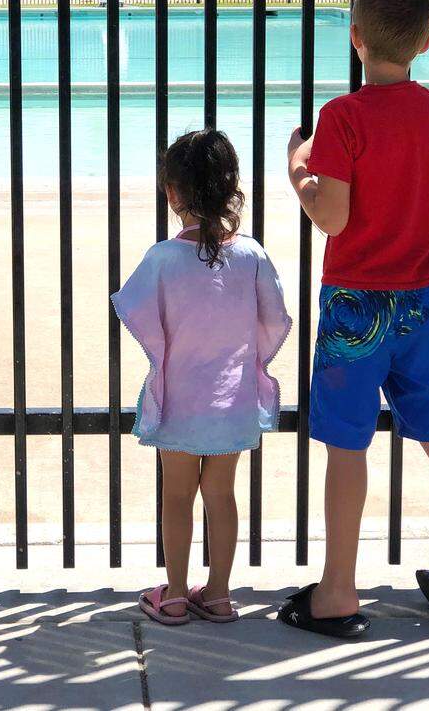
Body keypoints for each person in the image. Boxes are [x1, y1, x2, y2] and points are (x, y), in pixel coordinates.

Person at [280, 0, 429, 639]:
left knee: (348, 445)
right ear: (427, 42)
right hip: (425, 298)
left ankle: (338, 589)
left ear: (356, 38)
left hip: (356, 307)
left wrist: (300, 174)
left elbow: (334, 218)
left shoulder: (343, 116)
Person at [113, 128, 291, 625]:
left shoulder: (163, 258)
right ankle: (216, 593)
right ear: (231, 185)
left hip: (181, 399)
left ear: (173, 193)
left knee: (177, 495)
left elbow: (135, 311)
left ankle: (172, 593)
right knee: (222, 495)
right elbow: (275, 319)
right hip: (231, 399)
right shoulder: (251, 255)